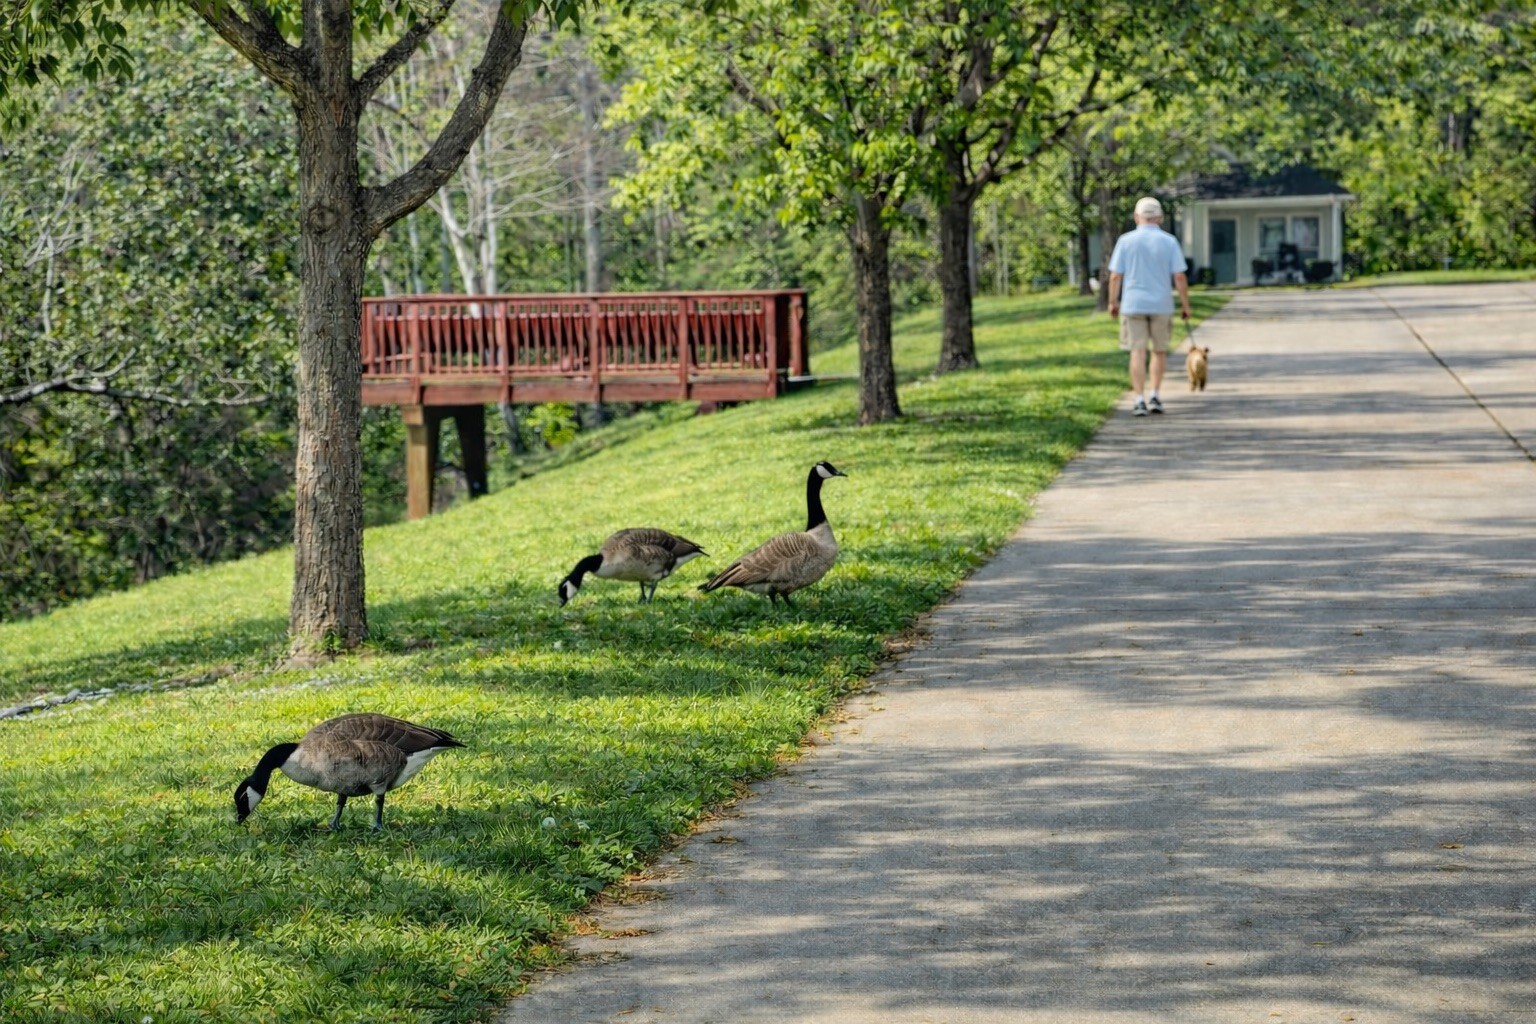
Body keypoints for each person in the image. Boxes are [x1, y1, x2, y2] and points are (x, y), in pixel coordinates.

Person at [1107, 196, 1192, 416]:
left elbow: (1116, 275)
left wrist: (1112, 302)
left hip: (1133, 304)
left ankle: (1138, 399)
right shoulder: (1169, 241)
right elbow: (1180, 276)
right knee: (1159, 351)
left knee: (1137, 351)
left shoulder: (1126, 241)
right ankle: (1155, 394)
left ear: (1137, 217)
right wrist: (1185, 305)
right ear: (1160, 217)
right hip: (1161, 304)